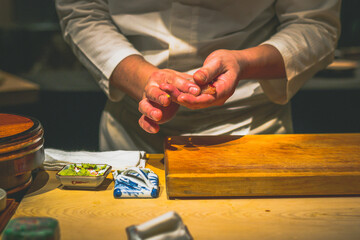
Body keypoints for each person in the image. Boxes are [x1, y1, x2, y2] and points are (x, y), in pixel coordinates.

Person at [55, 0, 341, 153]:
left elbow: (315, 23)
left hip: (250, 128)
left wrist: (243, 62)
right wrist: (144, 79)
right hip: (134, 130)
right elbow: (82, 12)